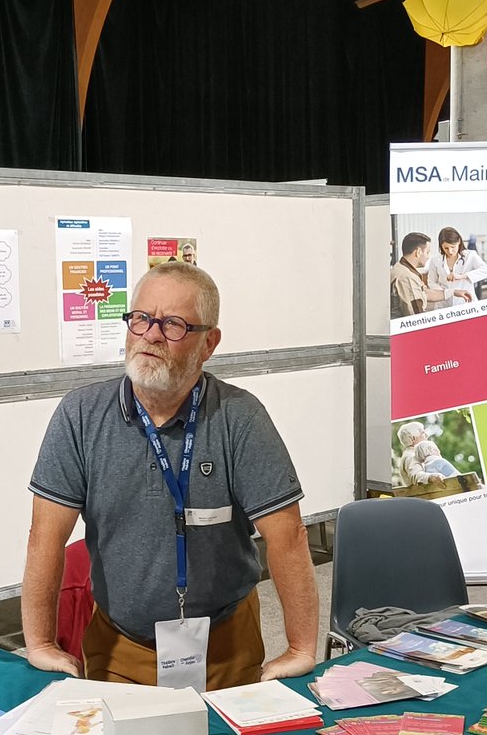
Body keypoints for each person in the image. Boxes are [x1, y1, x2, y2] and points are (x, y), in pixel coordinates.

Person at [21, 261, 319, 687]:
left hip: (226, 644)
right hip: (120, 646)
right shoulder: (80, 416)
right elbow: (43, 537)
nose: (151, 334)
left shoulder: (240, 417)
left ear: (209, 343)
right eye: (141, 319)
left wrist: (301, 647)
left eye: (173, 324)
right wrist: (40, 642)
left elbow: (288, 537)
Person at [426, 226, 487, 307]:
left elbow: (486, 271)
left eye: (453, 247)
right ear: (441, 246)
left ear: (459, 241)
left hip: (466, 304)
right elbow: (431, 282)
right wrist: (446, 293)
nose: (450, 251)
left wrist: (462, 276)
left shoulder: (470, 255)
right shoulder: (435, 260)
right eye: (446, 248)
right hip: (443, 305)